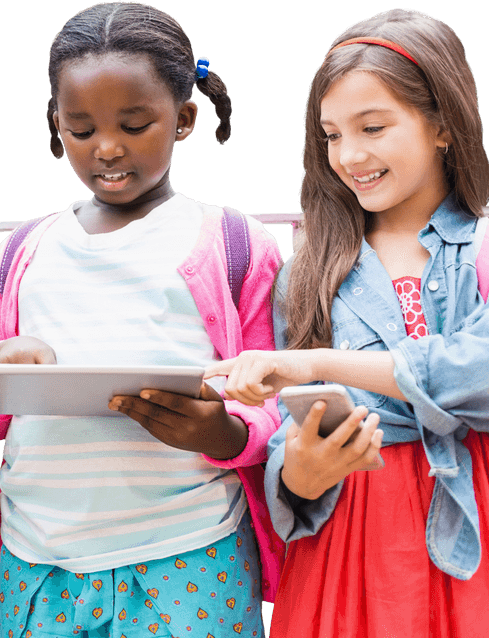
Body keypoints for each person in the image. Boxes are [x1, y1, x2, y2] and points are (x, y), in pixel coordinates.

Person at [0, 3, 285, 637]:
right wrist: (6, 367)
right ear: (57, 124)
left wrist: (221, 432)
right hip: (40, 561)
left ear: (183, 118)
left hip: (190, 553)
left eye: (134, 125)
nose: (107, 147)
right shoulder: (23, 252)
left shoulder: (235, 242)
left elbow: (274, 404)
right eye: (81, 131)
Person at [211, 8, 489, 636]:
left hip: (475, 526)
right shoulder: (307, 272)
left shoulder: (482, 246)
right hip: (351, 549)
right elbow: (288, 439)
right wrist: (303, 471)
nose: (350, 155)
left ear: (443, 125)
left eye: (372, 127)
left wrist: (314, 364)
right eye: (332, 135)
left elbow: (479, 375)